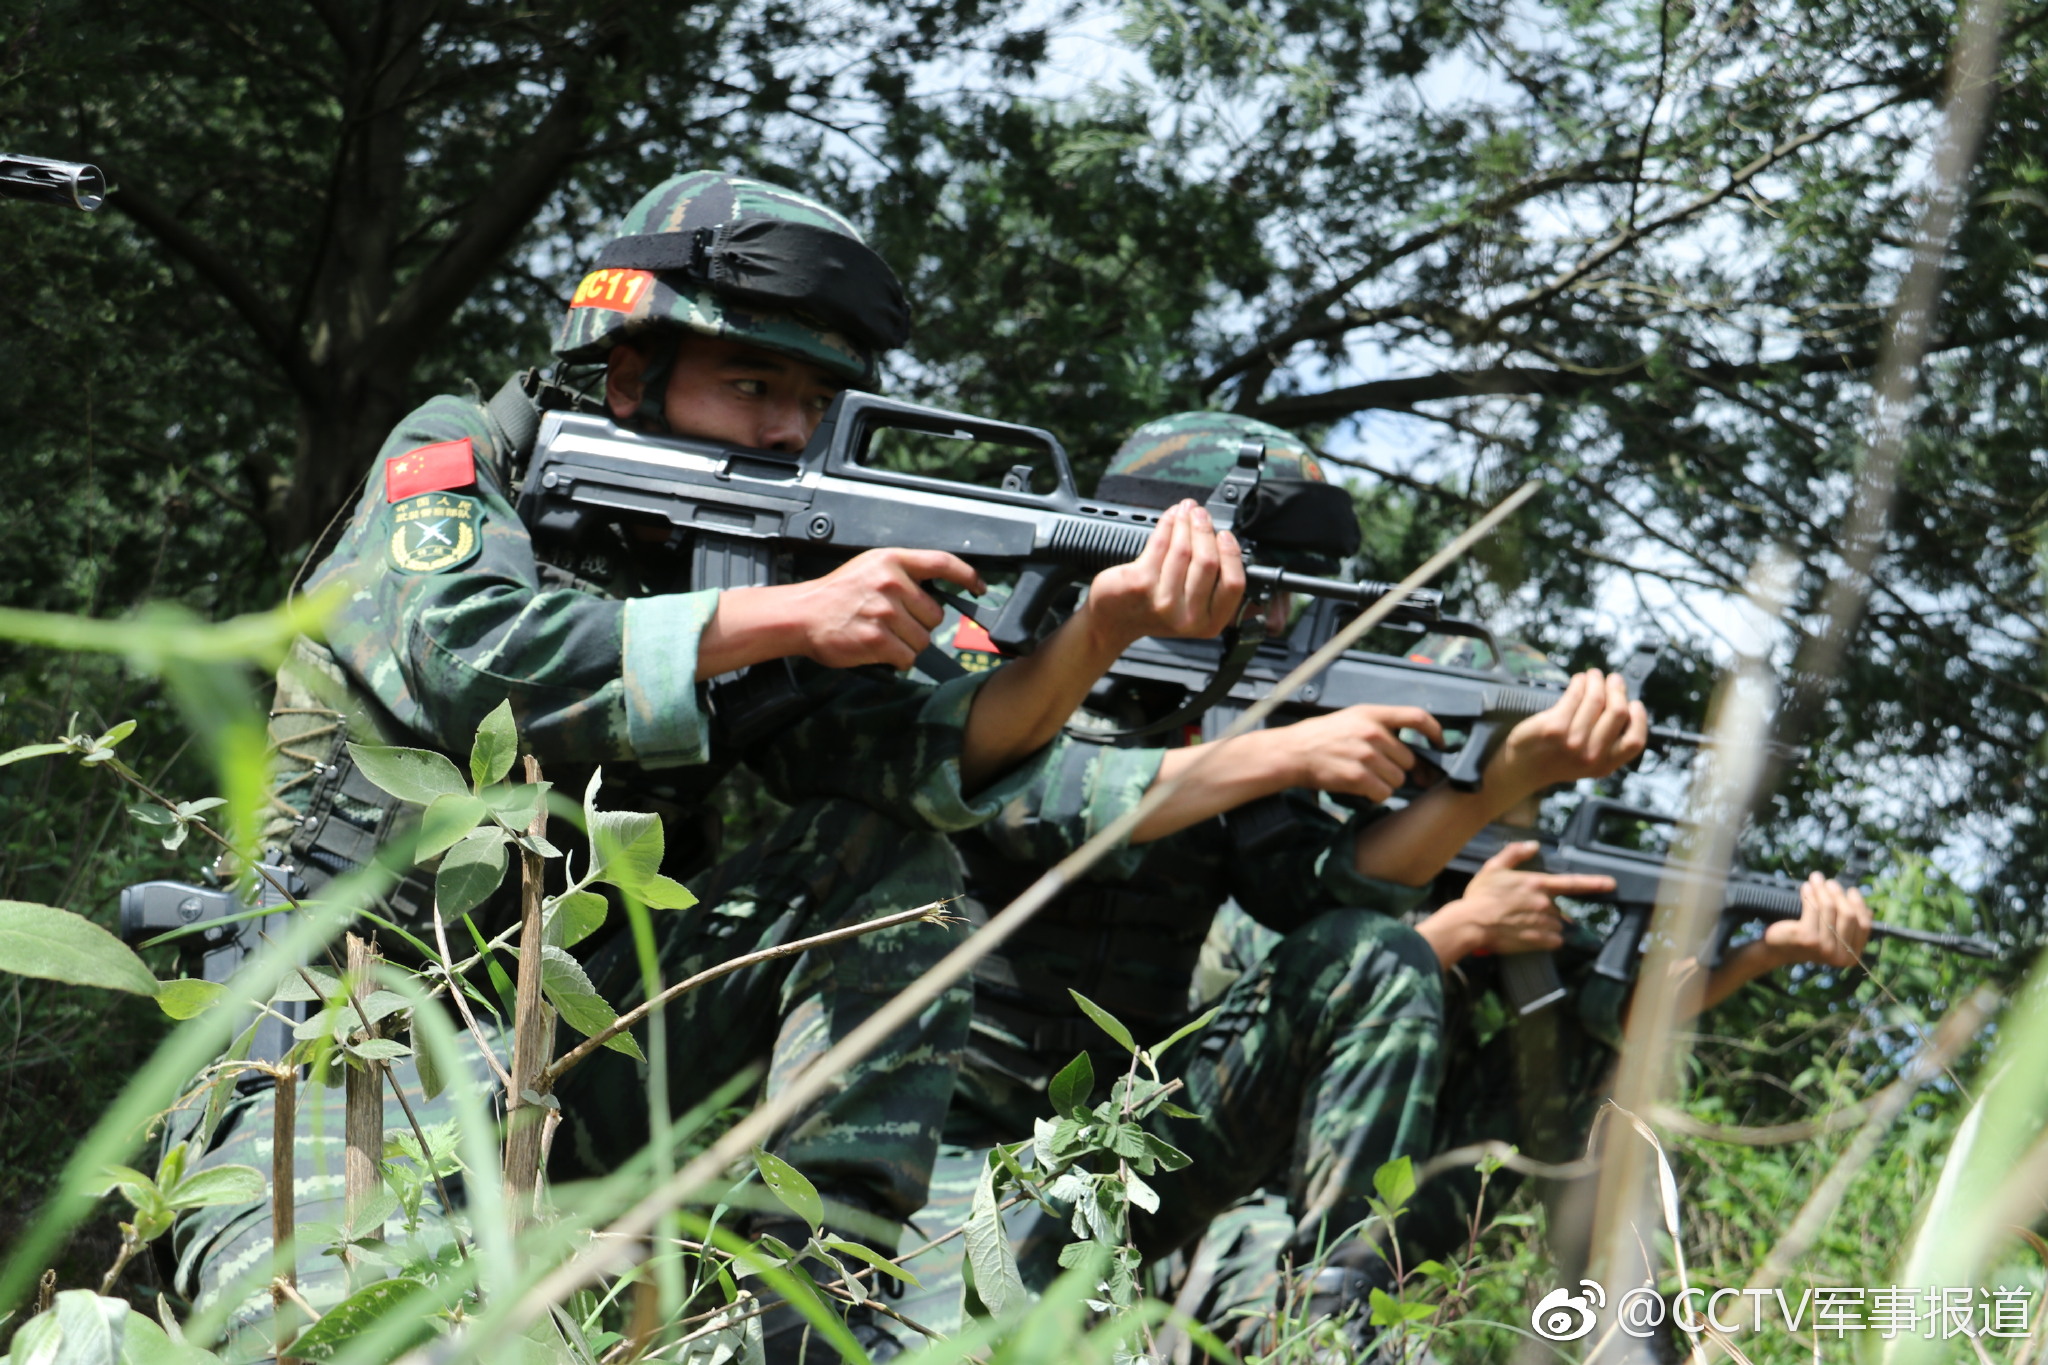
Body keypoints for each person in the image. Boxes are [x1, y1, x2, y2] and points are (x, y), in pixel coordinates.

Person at [166, 172, 1246, 1360]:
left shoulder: (749, 563)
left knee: (887, 860)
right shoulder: (461, 453)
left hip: (584, 1055)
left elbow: (924, 761)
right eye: (751, 384)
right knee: (347, 1327)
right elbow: (461, 657)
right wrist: (788, 621)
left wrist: (1102, 631)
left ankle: (821, 1290)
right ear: (628, 370)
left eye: (813, 398)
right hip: (342, 1029)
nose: (788, 427)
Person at [882, 411, 1650, 1344]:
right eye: (1254, 581)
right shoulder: (1001, 652)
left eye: (1283, 594)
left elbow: (1327, 902)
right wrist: (1280, 754)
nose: (1273, 617)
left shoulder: (1226, 713)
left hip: (1134, 1141)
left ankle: (1328, 1323)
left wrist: (1503, 783)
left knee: (1378, 955)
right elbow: (1027, 799)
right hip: (940, 1142)